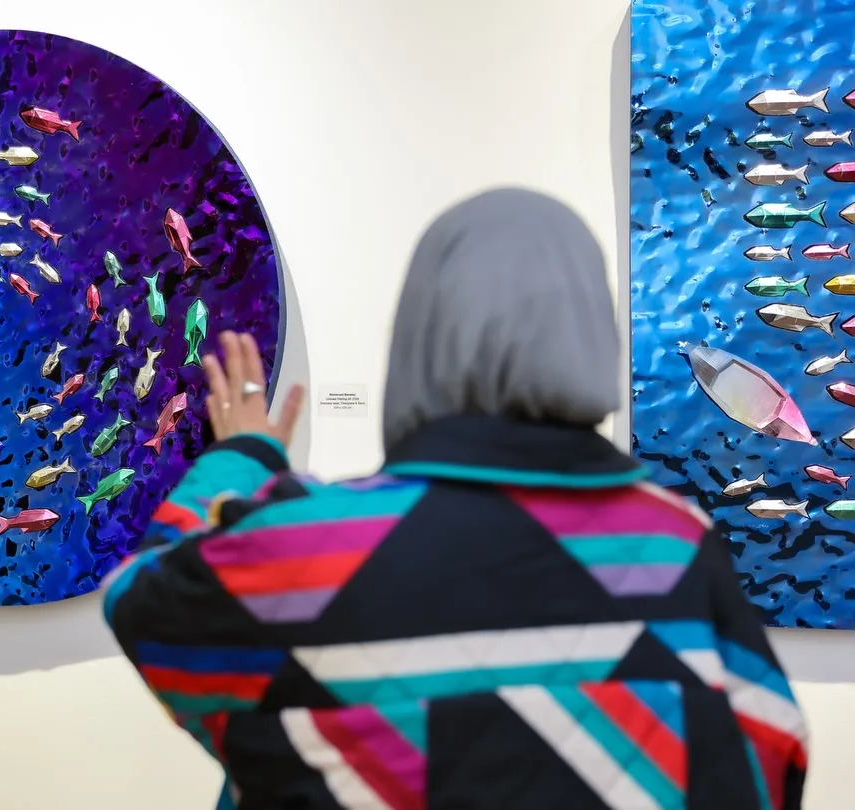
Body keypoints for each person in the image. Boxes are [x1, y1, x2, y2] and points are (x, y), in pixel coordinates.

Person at [102, 189, 807, 809]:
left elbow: (141, 601)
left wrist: (242, 458)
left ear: (419, 340)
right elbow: (774, 758)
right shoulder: (674, 545)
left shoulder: (312, 553)